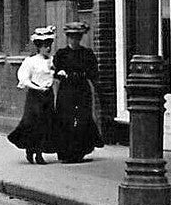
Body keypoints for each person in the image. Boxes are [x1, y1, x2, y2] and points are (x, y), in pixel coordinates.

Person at [53, 21, 104, 163]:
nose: (75, 40)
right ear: (68, 38)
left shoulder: (87, 53)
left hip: (82, 88)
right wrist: (60, 74)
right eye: (72, 37)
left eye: (77, 37)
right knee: (66, 118)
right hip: (67, 89)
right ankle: (65, 152)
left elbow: (93, 71)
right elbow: (55, 71)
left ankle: (79, 151)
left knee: (82, 117)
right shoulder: (61, 54)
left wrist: (86, 76)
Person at [8, 27, 57, 164]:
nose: (47, 48)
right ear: (38, 47)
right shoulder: (31, 61)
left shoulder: (52, 61)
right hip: (35, 96)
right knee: (34, 124)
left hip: (48, 95)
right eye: (44, 45)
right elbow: (24, 79)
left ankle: (39, 153)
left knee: (46, 124)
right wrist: (37, 87)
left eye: (49, 45)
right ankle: (31, 150)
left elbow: (57, 75)